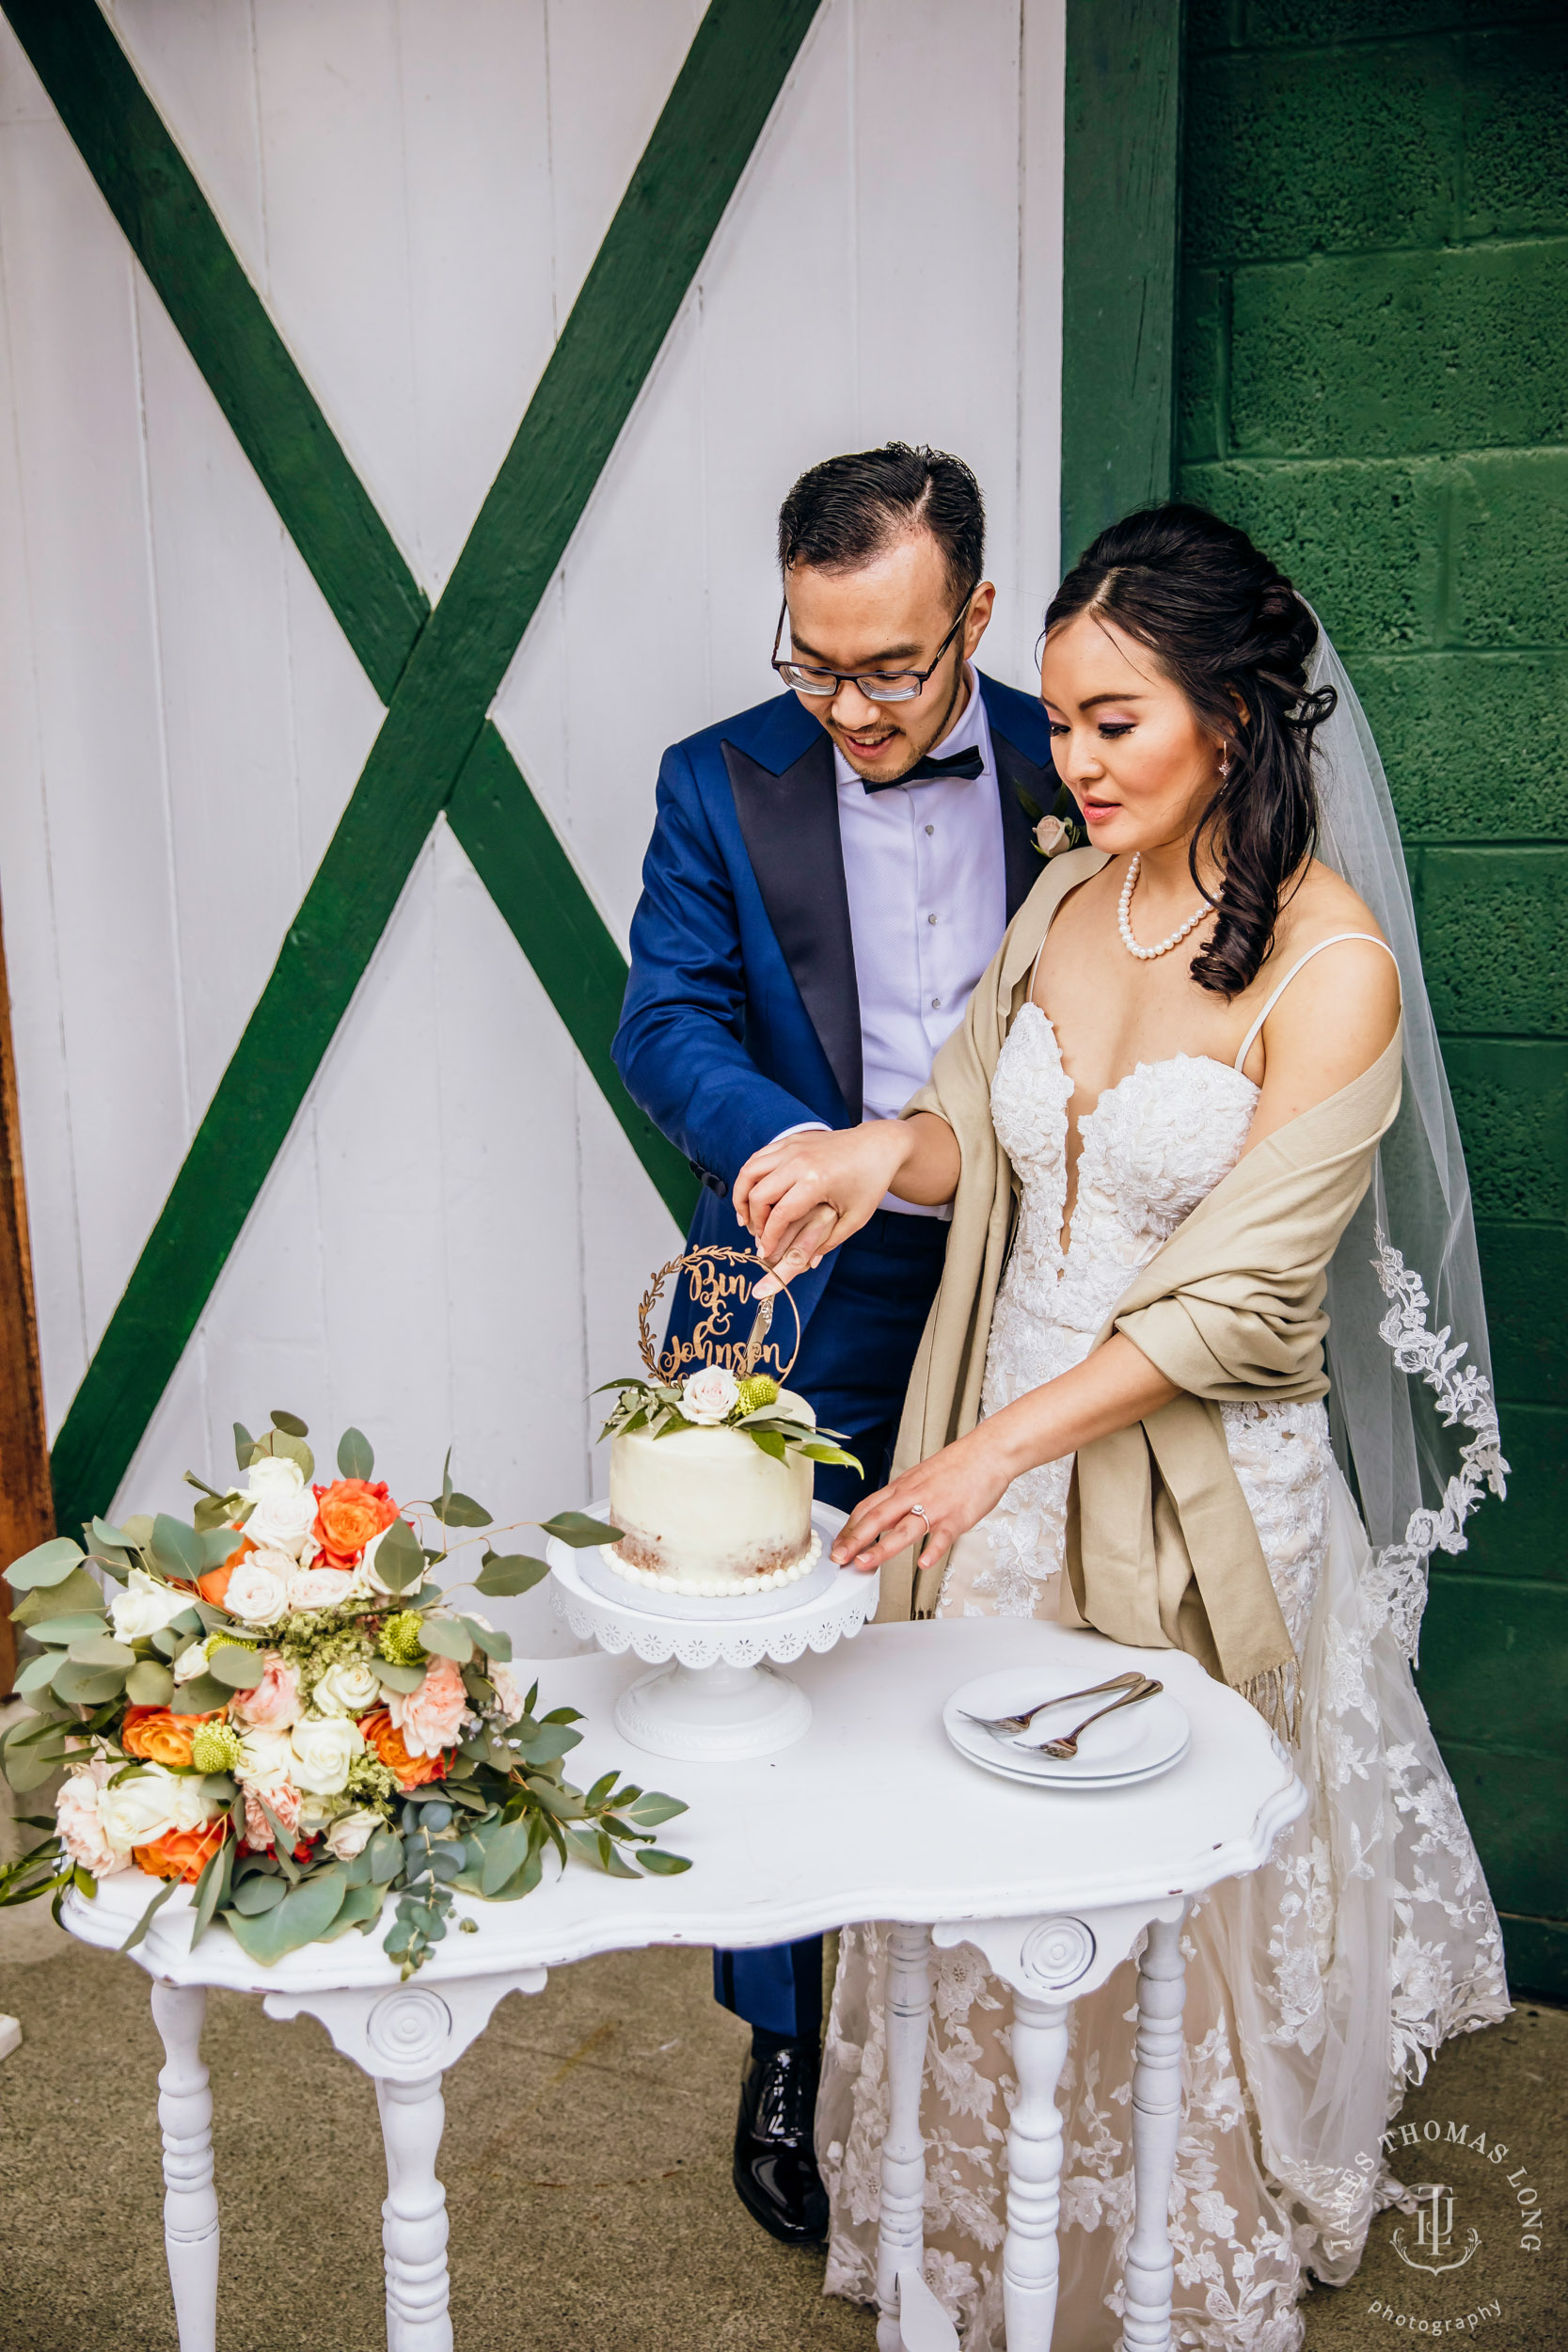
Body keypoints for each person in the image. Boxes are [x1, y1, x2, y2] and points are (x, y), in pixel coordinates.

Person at [734, 505, 1510, 2346]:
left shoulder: (1335, 974)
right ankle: (956, 2217)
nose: (1066, 762)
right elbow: (981, 1138)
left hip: (1185, 1488)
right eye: (1063, 722)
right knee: (961, 1826)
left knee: (1128, 1863)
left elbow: (1237, 1302)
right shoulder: (1068, 898)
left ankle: (1153, 2246)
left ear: (1233, 716)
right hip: (993, 1433)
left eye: (1112, 724)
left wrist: (1005, 1446)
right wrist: (872, 1157)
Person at [612, 444, 1063, 2244]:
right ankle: (786, 2038)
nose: (855, 710)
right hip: (822, 1276)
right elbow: (666, 1015)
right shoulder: (714, 778)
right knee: (784, 1666)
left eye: (892, 669)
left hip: (1042, 1281)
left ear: (974, 612)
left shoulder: (1077, 749)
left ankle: (1010, 2007)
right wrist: (775, 1139)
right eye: (818, 665)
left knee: (1012, 1639)